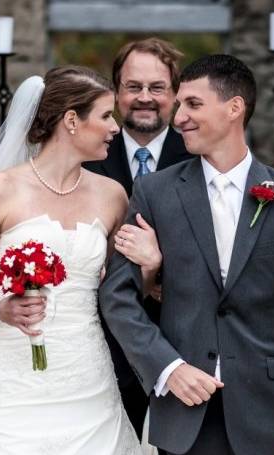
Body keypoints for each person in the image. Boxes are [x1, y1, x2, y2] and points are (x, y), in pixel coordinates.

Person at [0, 66, 161, 454]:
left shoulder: (113, 196)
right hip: (11, 370)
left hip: (85, 370)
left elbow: (119, 292)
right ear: (72, 120)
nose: (114, 127)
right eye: (106, 115)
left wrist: (151, 267)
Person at [101, 54, 274, 455]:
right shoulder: (154, 193)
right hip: (185, 410)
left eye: (193, 104)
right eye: (179, 106)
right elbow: (116, 298)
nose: (178, 119)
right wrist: (168, 368)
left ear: (234, 108)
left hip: (271, 415)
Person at [83, 37, 192, 438]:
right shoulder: (86, 154)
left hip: (184, 343)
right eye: (133, 86)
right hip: (99, 344)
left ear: (176, 94)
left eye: (157, 87)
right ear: (115, 93)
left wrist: (157, 273)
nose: (145, 98)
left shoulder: (201, 154)